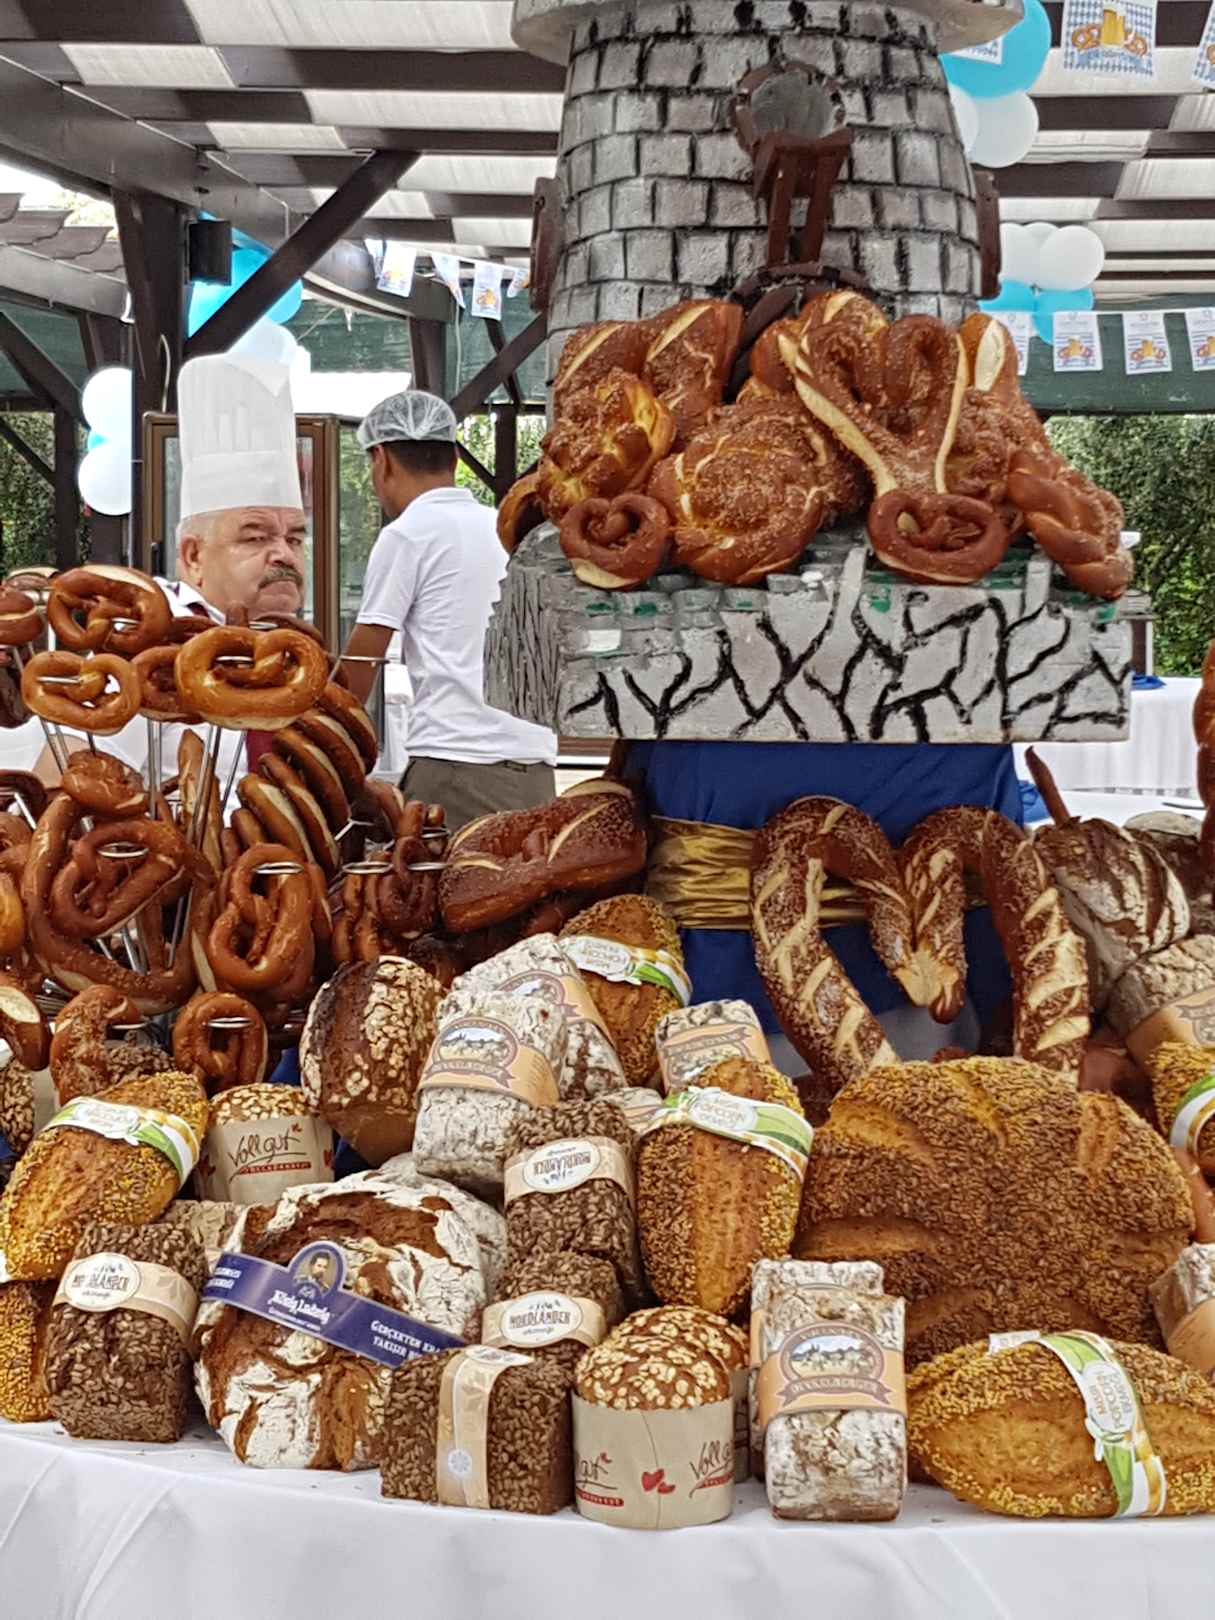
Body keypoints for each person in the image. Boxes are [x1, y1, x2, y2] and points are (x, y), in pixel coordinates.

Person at [339, 389, 557, 830]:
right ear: (455, 458)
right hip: (534, 769)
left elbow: (364, 657)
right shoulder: (503, 528)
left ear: (381, 460)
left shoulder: (408, 534)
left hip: (455, 768)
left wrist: (326, 741)